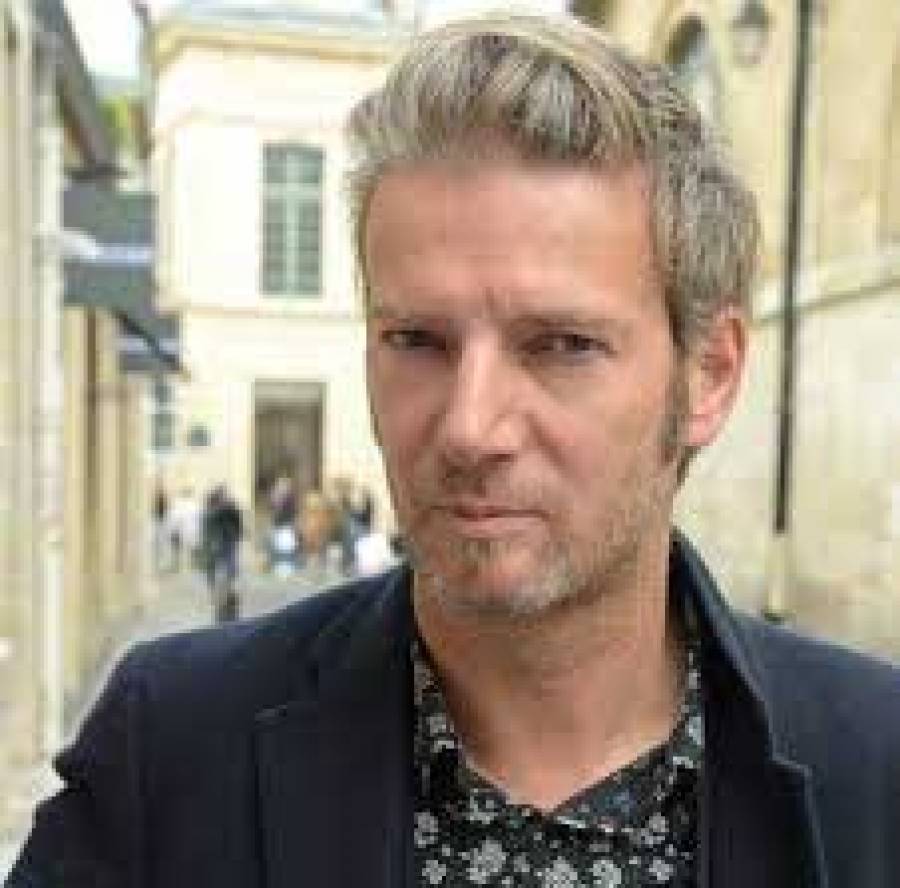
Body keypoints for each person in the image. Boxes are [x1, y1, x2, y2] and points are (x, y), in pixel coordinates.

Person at [9, 14, 900, 888]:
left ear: (709, 374)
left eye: (561, 345)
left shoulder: (877, 773)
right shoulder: (170, 752)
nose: (471, 427)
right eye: (417, 341)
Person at [200, 484, 243, 623]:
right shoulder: (227, 508)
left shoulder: (212, 511)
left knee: (221, 572)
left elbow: (237, 525)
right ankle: (225, 598)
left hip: (221, 545)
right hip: (224, 544)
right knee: (227, 571)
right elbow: (238, 525)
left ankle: (222, 598)